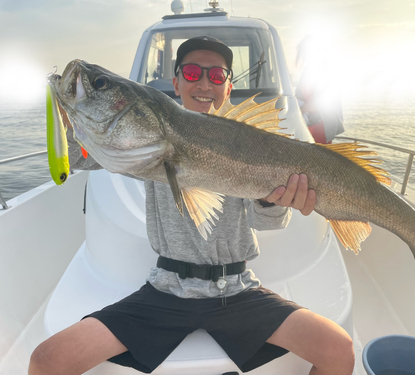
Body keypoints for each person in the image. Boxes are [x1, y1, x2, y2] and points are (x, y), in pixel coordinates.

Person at [29, 36, 354, 375]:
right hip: (165, 292)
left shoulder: (251, 143)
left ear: (228, 88)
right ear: (177, 82)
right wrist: (69, 118)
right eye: (193, 72)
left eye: (216, 76)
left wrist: (271, 198)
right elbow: (78, 161)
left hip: (236, 290)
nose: (203, 82)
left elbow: (269, 223)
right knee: (47, 361)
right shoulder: (147, 142)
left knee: (339, 350)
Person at [295, 35, 345, 144]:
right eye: (303, 53)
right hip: (309, 122)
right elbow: (298, 93)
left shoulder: (328, 72)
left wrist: (302, 109)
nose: (304, 56)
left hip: (322, 123)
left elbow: (324, 103)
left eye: (306, 52)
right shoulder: (307, 71)